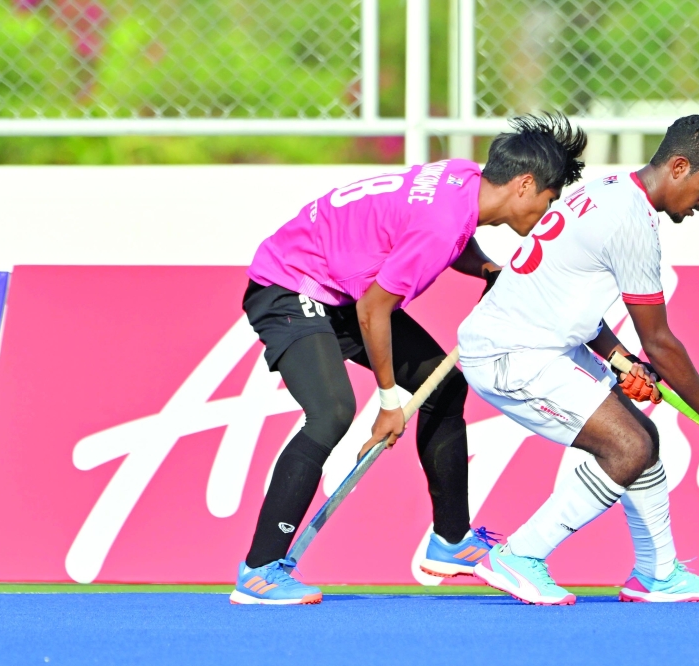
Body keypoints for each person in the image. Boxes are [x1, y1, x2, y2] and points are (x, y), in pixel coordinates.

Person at [229, 114, 587, 605]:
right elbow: (374, 307)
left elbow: (455, 237)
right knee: (332, 411)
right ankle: (261, 570)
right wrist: (389, 401)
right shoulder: (441, 224)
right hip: (291, 284)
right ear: (525, 184)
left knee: (445, 388)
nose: (549, 213)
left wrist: (485, 268)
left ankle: (450, 542)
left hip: (340, 289)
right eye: (550, 199)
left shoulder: (463, 180)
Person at [457, 115, 699, 605]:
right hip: (512, 355)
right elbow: (661, 342)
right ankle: (520, 555)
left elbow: (569, 299)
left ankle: (658, 574)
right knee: (627, 448)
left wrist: (621, 360)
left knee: (644, 439)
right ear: (679, 167)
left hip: (542, 344)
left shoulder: (609, 190)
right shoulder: (631, 221)